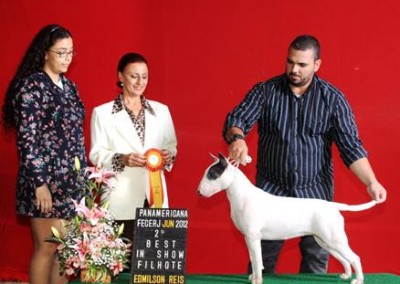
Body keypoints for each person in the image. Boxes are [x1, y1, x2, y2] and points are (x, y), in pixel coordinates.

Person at [222, 35, 387, 274]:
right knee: (262, 265)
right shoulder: (265, 91)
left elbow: (350, 147)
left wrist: (371, 182)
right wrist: (237, 138)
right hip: (270, 195)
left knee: (315, 266)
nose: (294, 69)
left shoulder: (333, 99)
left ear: (317, 64)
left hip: (315, 196)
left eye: (302, 65)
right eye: (290, 62)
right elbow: (237, 119)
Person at [1, 24, 87, 284]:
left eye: (70, 52)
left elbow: (76, 136)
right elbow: (28, 139)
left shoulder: (70, 87)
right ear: (45, 53)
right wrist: (40, 184)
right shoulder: (31, 87)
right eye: (61, 52)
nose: (66, 58)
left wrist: (83, 179)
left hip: (71, 183)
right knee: (48, 246)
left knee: (66, 251)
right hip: (44, 182)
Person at [89, 52, 178, 259]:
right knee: (121, 261)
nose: (140, 82)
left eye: (144, 76)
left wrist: (167, 156)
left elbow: (172, 146)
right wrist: (123, 158)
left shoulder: (162, 111)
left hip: (155, 194)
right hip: (120, 196)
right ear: (120, 77)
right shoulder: (102, 113)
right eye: (133, 76)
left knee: (152, 262)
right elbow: (96, 154)